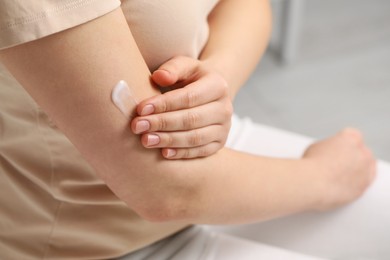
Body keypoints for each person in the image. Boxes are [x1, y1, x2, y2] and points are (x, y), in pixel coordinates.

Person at [0, 0, 379, 259]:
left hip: (205, 156)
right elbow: (165, 190)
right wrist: (327, 177)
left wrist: (215, 79)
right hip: (93, 239)